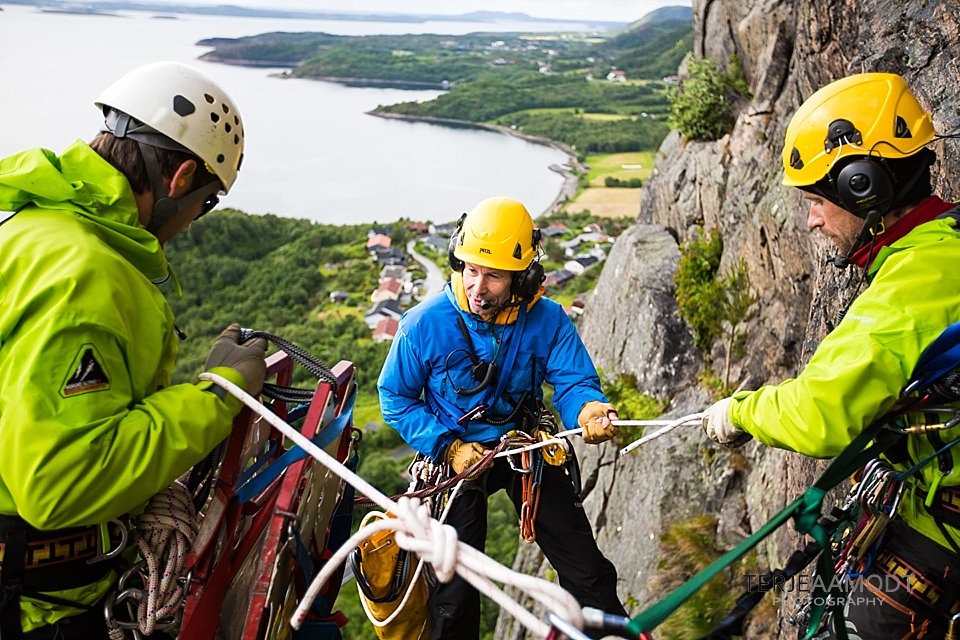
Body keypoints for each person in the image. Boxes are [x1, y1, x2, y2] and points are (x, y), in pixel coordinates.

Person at [0, 61, 267, 639]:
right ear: (181, 178)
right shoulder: (88, 277)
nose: (195, 221)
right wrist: (216, 396)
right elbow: (61, 485)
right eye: (206, 202)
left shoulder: (29, 230)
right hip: (37, 611)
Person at [701, 72, 960, 637]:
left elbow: (822, 414)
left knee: (858, 623)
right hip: (934, 494)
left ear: (864, 187)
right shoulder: (945, 242)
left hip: (944, 525)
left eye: (817, 201)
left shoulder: (916, 281)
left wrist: (739, 412)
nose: (812, 220)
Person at [377, 196, 628, 639]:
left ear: (523, 276)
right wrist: (447, 446)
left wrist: (588, 407)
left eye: (493, 275)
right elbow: (395, 397)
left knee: (589, 573)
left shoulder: (546, 321)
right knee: (452, 596)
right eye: (470, 269)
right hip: (454, 454)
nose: (477, 286)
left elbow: (573, 381)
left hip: (522, 445)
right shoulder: (425, 323)